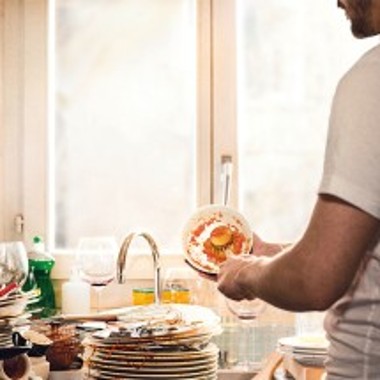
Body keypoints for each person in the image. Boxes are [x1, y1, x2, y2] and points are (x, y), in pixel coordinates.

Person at [216, 1, 380, 379]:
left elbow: (315, 279)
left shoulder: (372, 80)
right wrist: (279, 254)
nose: (335, 0)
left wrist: (246, 274)